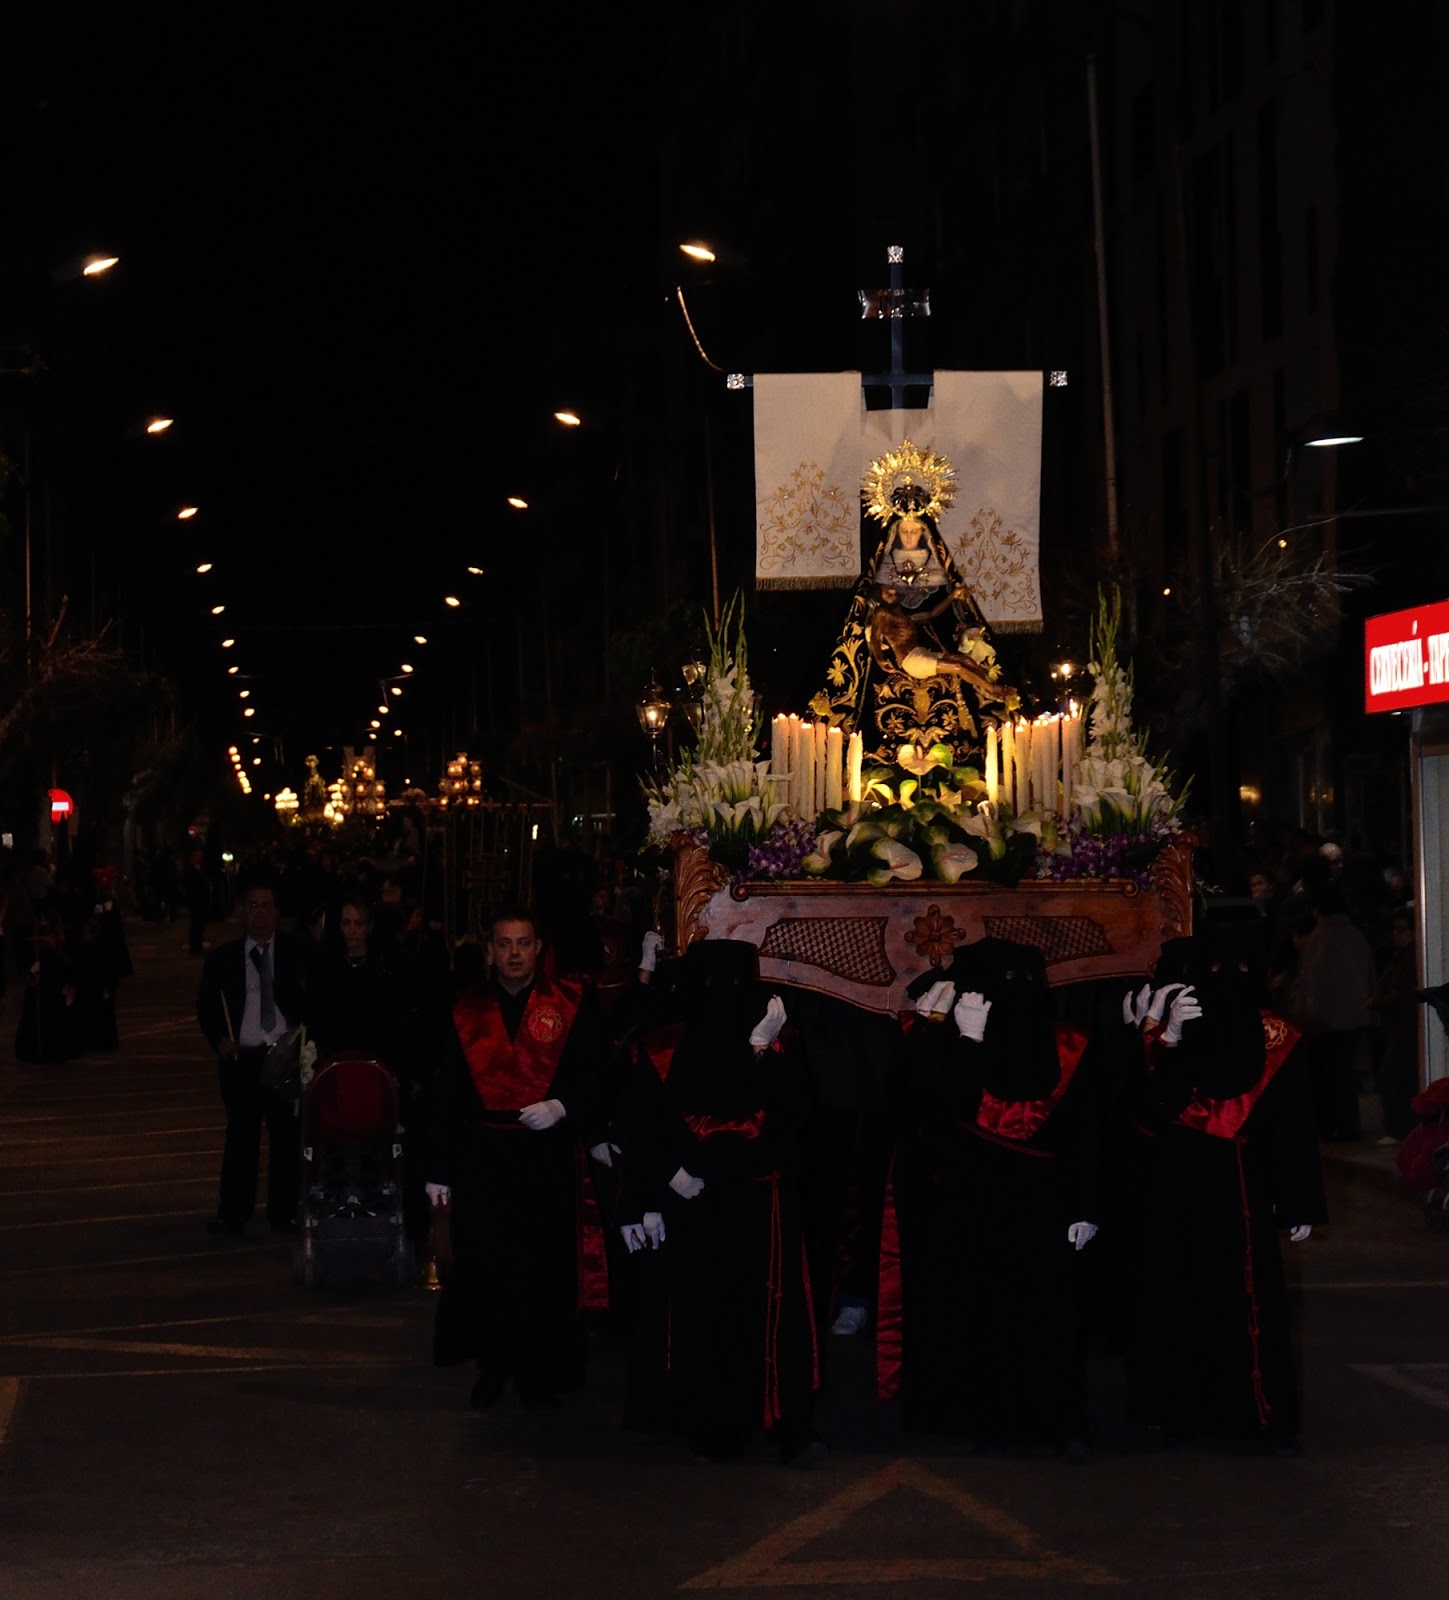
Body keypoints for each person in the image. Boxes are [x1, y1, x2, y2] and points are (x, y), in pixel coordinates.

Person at [882, 938, 1100, 1459]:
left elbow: (1086, 1133)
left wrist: (1085, 1205)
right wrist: (966, 1043)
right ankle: (973, 1413)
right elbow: (930, 1115)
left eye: (1027, 981)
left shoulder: (1069, 1045)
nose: (1017, 994)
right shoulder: (944, 1038)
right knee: (971, 1308)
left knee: (1043, 1315)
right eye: (1003, 982)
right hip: (967, 1199)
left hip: (1041, 1205)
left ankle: (1052, 1419)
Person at [614, 940, 821, 1464]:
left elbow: (793, 1118)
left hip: (761, 1201)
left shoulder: (778, 1042)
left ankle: (779, 1419)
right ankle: (707, 1419)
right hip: (695, 1204)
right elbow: (643, 1124)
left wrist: (760, 1055)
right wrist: (665, 1179)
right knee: (700, 1312)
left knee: (769, 1315)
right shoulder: (661, 1049)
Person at [1122, 928, 1326, 1454]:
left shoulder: (1278, 1036)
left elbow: (1294, 1124)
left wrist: (1299, 1198)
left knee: (1244, 1300)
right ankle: (1179, 1408)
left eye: (1239, 972)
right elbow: (1147, 1110)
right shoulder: (1181, 1026)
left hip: (1241, 1185)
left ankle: (1246, 1411)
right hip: (1180, 1187)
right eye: (1215, 972)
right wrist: (1167, 1041)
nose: (1227, 984)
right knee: (1179, 1291)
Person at [427, 908, 609, 1409]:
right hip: (484, 1159)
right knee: (487, 1267)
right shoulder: (466, 1009)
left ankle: (542, 1371)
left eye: (523, 943)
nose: (513, 953)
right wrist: (439, 1170)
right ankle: (493, 1364)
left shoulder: (570, 1004)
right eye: (504, 944)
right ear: (489, 951)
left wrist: (563, 1106)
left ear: (538, 948)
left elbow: (597, 1074)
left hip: (545, 1156)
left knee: (544, 1266)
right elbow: (447, 1095)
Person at [196, 878, 318, 1235]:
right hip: (243, 1059)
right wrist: (219, 1038)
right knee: (241, 1139)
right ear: (243, 911)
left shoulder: (299, 951)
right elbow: (206, 1003)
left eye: (266, 905)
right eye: (252, 905)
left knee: (285, 1138)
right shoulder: (223, 958)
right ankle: (233, 1213)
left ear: (277, 912)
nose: (260, 913)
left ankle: (283, 1214)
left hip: (284, 1058)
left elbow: (314, 997)